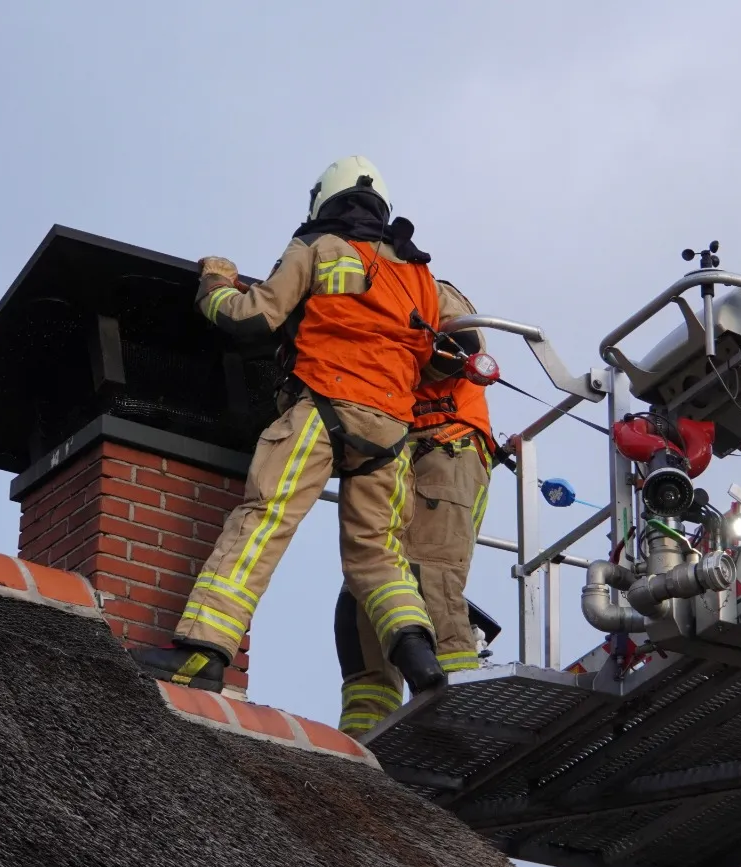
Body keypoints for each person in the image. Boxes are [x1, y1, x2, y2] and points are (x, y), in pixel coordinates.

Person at [131, 156, 480, 696]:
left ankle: (203, 652)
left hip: (320, 407)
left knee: (263, 521)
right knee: (378, 553)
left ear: (324, 201)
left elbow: (251, 318)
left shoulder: (315, 247)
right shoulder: (419, 275)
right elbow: (457, 354)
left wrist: (214, 282)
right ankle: (418, 655)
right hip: (389, 428)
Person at [335, 279, 496, 738]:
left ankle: (460, 720)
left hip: (445, 444)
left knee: (429, 574)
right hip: (391, 449)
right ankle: (361, 744)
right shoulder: (348, 301)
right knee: (363, 595)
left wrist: (387, 357)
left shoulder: (425, 289)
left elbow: (465, 345)